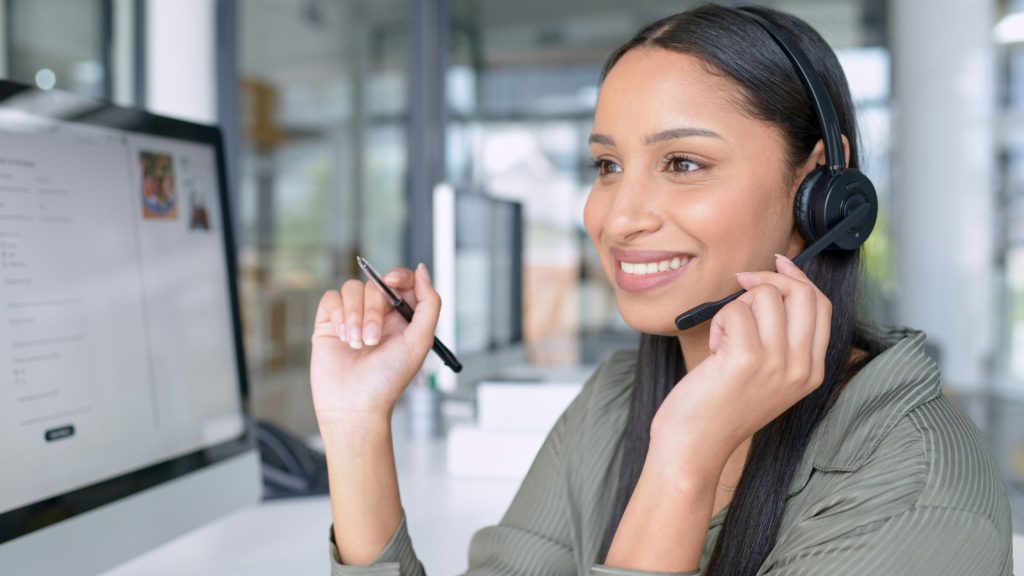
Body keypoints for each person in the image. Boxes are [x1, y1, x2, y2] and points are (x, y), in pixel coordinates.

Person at [309, 5, 1013, 575]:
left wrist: (683, 458)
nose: (618, 217)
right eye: (607, 165)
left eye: (682, 162)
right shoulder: (616, 405)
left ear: (824, 190)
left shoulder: (918, 492)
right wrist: (355, 429)